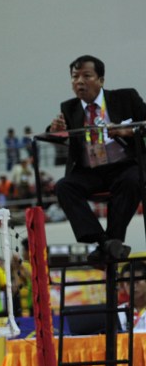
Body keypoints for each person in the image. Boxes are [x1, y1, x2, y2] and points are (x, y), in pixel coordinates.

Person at [49, 55, 146, 265]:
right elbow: (56, 136)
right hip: (90, 171)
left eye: (86, 76)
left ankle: (110, 242)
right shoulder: (69, 108)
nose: (79, 81)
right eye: (75, 77)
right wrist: (54, 130)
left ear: (101, 80)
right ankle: (105, 242)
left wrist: (129, 131)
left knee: (132, 179)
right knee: (64, 187)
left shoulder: (126, 97)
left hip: (123, 166)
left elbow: (144, 124)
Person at [118, 260, 146, 332]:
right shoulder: (118, 312)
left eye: (137, 281)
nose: (133, 286)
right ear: (123, 285)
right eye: (128, 282)